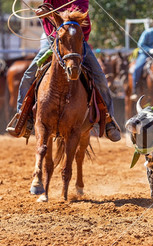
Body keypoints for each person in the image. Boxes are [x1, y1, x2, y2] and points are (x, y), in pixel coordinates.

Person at [8, 0, 121, 142]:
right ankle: (23, 118)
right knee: (28, 75)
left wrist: (49, 14)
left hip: (76, 41)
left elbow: (76, 14)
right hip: (56, 40)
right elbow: (47, 6)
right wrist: (43, 11)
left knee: (100, 78)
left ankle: (108, 120)